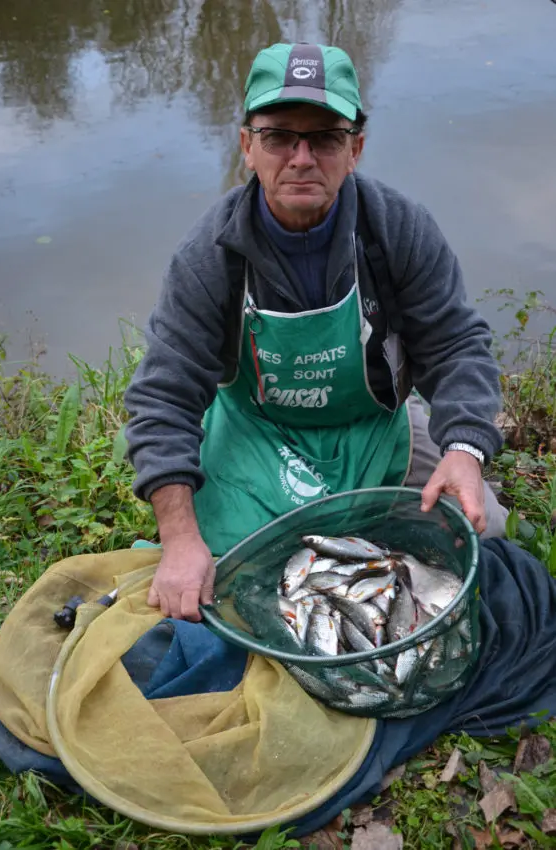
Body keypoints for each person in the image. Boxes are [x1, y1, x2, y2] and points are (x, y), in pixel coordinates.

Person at [124, 42, 508, 622]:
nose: (301, 157)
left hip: (376, 431)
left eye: (325, 138)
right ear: (248, 146)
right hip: (260, 435)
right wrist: (178, 538)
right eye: (279, 136)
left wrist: (464, 448)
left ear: (354, 149)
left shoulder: (397, 229)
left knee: (488, 529)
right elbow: (164, 395)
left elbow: (455, 344)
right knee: (219, 569)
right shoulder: (209, 256)